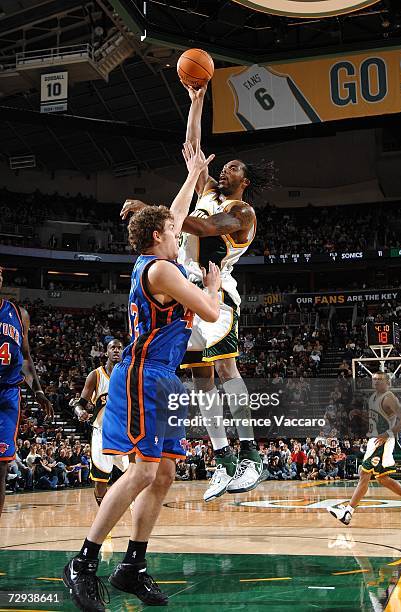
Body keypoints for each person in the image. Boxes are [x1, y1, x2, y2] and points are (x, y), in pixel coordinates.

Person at [62, 142, 220, 611]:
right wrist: (211, 287)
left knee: (166, 472)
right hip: (142, 375)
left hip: (165, 377)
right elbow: (210, 312)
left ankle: (132, 565)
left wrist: (192, 175)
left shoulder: (155, 259)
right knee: (142, 471)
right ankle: (83, 563)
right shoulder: (162, 273)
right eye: (173, 232)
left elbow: (172, 211)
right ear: (156, 237)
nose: (179, 233)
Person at [121, 84, 276, 502]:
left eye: (234, 168)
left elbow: (205, 229)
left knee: (227, 372)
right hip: (186, 288)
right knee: (200, 381)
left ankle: (252, 455)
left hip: (216, 291)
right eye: (225, 167)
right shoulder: (207, 193)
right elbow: (192, 150)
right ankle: (223, 460)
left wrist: (155, 215)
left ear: (247, 181)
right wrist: (196, 99)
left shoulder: (242, 212)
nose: (225, 170)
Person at [0, 267, 53, 517]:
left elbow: (25, 356)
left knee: (1, 466)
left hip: (8, 394)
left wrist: (38, 390)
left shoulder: (18, 314)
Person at [328, 372, 401, 525]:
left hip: (382, 441)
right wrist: (359, 413)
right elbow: (375, 418)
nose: (376, 382)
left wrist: (388, 433)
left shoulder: (389, 397)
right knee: (383, 479)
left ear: (387, 382)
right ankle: (348, 512)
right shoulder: (372, 398)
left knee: (364, 474)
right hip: (374, 440)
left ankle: (348, 512)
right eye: (374, 380)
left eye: (380, 380)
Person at [73, 339, 127, 507]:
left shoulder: (129, 375)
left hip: (124, 433)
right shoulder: (96, 375)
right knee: (101, 479)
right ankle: (103, 517)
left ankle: (132, 508)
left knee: (135, 474)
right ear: (106, 352)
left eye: (119, 348)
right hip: (102, 433)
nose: (116, 350)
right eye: (113, 348)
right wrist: (80, 412)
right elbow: (79, 403)